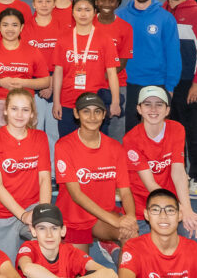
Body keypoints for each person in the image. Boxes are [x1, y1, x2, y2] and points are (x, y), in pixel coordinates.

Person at [54, 92, 138, 257]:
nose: (92, 117)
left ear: (104, 114)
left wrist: (130, 218)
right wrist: (115, 220)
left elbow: (125, 191)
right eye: (86, 111)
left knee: (130, 236)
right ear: (77, 114)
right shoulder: (63, 146)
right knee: (79, 274)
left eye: (97, 111)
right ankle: (109, 247)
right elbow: (76, 195)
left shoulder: (115, 147)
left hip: (102, 217)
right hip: (74, 219)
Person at [123, 86, 197, 237]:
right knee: (146, 254)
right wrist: (178, 208)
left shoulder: (177, 129)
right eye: (147, 104)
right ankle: (112, 248)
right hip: (142, 208)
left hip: (171, 204)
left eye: (159, 104)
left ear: (167, 110)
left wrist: (187, 210)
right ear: (139, 109)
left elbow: (178, 173)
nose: (153, 109)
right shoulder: (131, 139)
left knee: (196, 233)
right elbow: (150, 185)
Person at [0, 89, 51, 257]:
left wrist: (42, 212)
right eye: (14, 109)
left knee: (49, 244)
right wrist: (22, 215)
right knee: (5, 269)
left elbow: (44, 179)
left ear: (32, 113)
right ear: (5, 110)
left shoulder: (40, 137)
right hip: (0, 212)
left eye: (25, 110)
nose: (19, 115)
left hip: (32, 206)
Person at [162, 0, 197, 198]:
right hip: (164, 83)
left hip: (187, 83)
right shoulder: (160, 11)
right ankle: (176, 175)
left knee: (192, 131)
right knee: (171, 133)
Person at [117, 0, 181, 131]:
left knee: (154, 134)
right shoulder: (119, 16)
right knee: (129, 134)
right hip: (126, 85)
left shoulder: (166, 18)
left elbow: (173, 55)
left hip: (157, 84)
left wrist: (170, 86)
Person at [51, 0, 122, 137]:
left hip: (95, 102)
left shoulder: (105, 40)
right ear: (72, 12)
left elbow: (112, 73)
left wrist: (115, 101)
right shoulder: (63, 39)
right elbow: (58, 72)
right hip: (68, 102)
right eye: (79, 9)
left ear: (95, 12)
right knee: (68, 145)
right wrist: (56, 101)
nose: (83, 14)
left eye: (87, 9)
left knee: (97, 146)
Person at [0, 10, 50, 129]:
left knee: (26, 144)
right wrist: (0, 82)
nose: (10, 29)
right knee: (1, 144)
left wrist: (24, 83)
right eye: (5, 25)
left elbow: (45, 81)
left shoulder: (33, 51)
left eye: (14, 25)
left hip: (24, 102)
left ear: (21, 27)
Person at [21, 0, 65, 147]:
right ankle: (33, 169)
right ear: (33, 4)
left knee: (54, 133)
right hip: (33, 84)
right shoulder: (25, 29)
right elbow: (23, 61)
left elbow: (64, 62)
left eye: (48, 1)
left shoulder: (63, 29)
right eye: (40, 1)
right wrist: (41, 83)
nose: (44, 5)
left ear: (54, 3)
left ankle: (53, 172)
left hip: (57, 83)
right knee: (34, 129)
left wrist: (51, 84)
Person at [93, 0, 133, 141]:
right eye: (102, 0)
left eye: (111, 1)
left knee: (116, 128)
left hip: (118, 85)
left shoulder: (125, 28)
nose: (107, 4)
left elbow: (122, 62)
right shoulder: (86, 24)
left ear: (117, 4)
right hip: (91, 86)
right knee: (92, 123)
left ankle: (115, 163)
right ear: (96, 2)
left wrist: (101, 76)